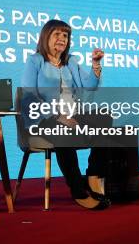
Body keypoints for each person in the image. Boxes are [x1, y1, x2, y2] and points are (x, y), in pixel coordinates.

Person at [20, 19, 111, 210]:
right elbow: (29, 96)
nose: (62, 39)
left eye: (65, 35)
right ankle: (78, 191)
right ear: (46, 37)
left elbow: (90, 86)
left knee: (105, 115)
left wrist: (95, 65)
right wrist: (57, 116)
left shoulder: (71, 61)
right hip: (44, 118)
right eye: (57, 34)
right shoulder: (35, 61)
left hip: (73, 115)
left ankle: (94, 174)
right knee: (63, 132)